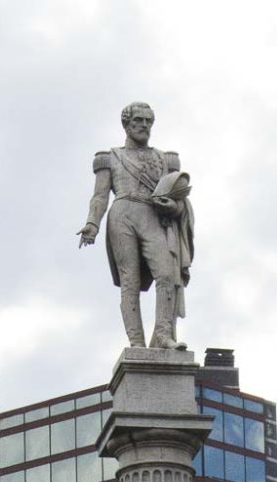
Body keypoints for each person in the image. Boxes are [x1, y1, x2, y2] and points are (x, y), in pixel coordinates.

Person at [79, 102, 194, 350]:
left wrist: (172, 207)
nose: (144, 126)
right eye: (138, 121)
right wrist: (92, 223)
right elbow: (100, 196)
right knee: (129, 281)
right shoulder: (109, 158)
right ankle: (137, 343)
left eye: (148, 121)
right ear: (126, 124)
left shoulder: (166, 159)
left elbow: (179, 201)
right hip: (122, 215)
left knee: (166, 273)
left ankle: (163, 335)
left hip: (154, 216)